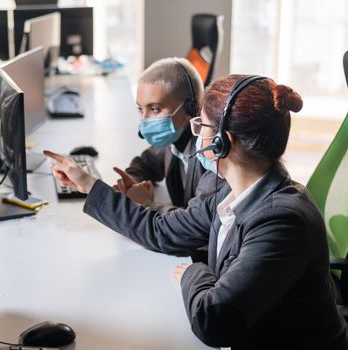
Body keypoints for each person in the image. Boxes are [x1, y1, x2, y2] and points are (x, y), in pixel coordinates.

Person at [44, 74, 348, 349]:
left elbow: (214, 322)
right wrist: (90, 186)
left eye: (200, 125)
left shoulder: (281, 221)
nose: (195, 134)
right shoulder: (229, 192)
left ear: (221, 143)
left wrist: (195, 272)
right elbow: (163, 229)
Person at [113, 57, 207, 210]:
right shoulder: (174, 140)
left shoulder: (209, 158)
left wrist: (149, 204)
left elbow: (198, 224)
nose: (144, 120)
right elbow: (147, 162)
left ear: (191, 108)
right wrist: (132, 180)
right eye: (140, 109)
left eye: (154, 109)